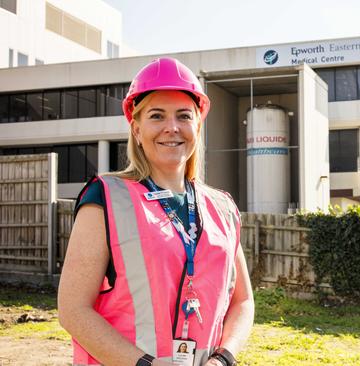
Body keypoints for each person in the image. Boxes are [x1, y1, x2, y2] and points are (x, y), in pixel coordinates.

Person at [58, 57, 254, 366]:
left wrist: (223, 359)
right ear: (136, 129)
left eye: (183, 116)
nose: (171, 127)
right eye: (157, 116)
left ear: (197, 125)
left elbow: (243, 301)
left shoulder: (223, 208)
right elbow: (73, 309)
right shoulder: (106, 197)